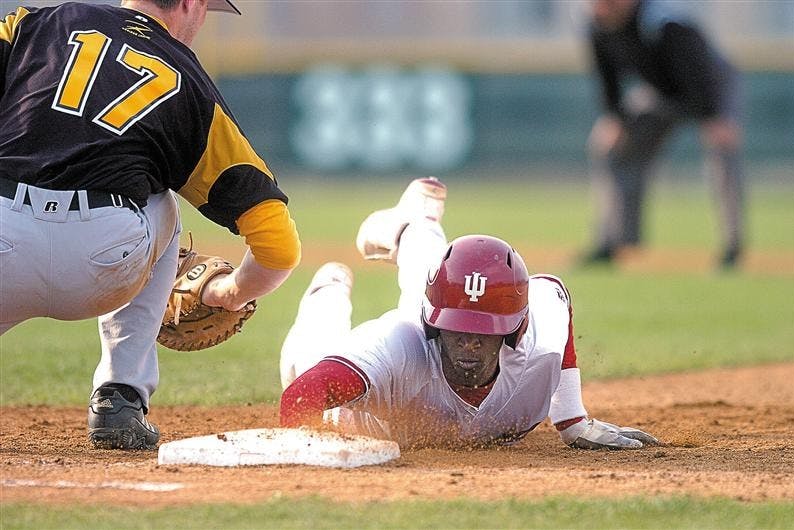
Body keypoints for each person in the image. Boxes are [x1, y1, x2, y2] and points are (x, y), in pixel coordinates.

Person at [0, 0, 301, 449]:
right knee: (160, 199)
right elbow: (278, 245)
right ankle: (120, 396)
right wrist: (231, 293)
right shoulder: (191, 82)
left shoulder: (37, 24)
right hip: (102, 261)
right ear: (188, 4)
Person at [279, 177, 658, 450]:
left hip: (442, 303)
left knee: (441, 277)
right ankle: (328, 290)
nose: (469, 342)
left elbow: (555, 293)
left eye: (485, 332)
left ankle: (416, 219)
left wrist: (573, 419)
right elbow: (300, 397)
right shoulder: (398, 345)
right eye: (457, 330)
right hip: (362, 408)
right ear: (434, 325)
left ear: (516, 330)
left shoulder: (539, 331)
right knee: (305, 358)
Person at [581, 0, 745, 268]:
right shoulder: (597, 25)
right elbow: (607, 77)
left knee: (722, 150)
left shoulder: (661, 21)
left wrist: (713, 116)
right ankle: (614, 241)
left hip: (711, 85)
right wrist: (614, 117)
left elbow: (698, 66)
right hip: (659, 92)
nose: (602, 7)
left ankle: (733, 246)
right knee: (608, 147)